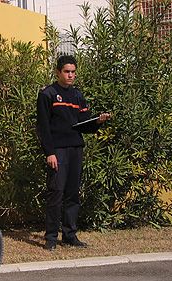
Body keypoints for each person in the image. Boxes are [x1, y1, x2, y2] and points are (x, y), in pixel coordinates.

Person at [36, 55, 110, 251]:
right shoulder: (48, 94)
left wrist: (98, 121)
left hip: (75, 149)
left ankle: (70, 235)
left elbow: (84, 123)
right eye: (67, 71)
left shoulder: (77, 95)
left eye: (73, 72)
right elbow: (43, 128)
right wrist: (49, 153)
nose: (70, 75)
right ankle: (51, 237)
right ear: (58, 72)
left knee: (72, 194)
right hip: (58, 151)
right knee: (56, 193)